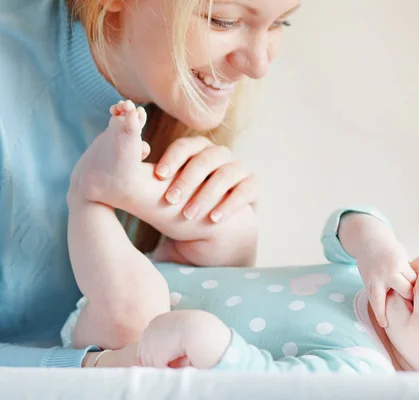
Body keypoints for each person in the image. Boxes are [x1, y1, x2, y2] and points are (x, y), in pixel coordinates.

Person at [64, 103, 419, 377]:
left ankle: (89, 197)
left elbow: (266, 383)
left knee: (140, 304)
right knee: (236, 223)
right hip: (191, 273)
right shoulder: (380, 280)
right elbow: (343, 223)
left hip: (130, 326)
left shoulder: (361, 370)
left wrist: (212, 345)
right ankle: (130, 186)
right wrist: (374, 245)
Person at [0, 0, 300, 367]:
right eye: (223, 21)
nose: (258, 65)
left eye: (280, 24)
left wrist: (218, 267)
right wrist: (85, 368)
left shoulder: (168, 97)